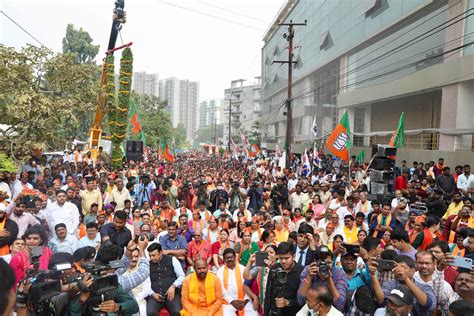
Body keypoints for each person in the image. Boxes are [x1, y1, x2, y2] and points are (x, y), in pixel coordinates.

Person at [67, 243, 139, 315]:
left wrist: (117, 307)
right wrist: (81, 300)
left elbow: (133, 305)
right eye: (117, 260)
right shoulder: (84, 283)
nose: (118, 263)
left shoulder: (110, 281)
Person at [369, 255, 437, 316]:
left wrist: (406, 279)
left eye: (403, 267)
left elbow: (429, 305)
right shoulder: (389, 284)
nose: (398, 270)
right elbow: (381, 301)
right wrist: (373, 275)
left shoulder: (424, 287)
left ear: (413, 271)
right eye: (396, 267)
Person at [144, 243, 184, 316]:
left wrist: (173, 286)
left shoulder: (172, 260)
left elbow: (182, 276)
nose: (151, 258)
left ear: (160, 252)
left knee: (177, 312)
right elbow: (145, 283)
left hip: (172, 296)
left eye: (154, 255)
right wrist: (152, 294)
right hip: (155, 296)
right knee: (150, 313)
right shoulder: (148, 264)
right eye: (150, 256)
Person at [265, 242, 304, 316]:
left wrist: (288, 302)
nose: (283, 261)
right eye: (281, 258)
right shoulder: (274, 269)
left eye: (286, 258)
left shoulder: (301, 271)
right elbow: (268, 295)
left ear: (294, 256)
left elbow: (303, 298)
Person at [217, 248, 259, 315]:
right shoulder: (220, 271)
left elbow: (248, 286)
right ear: (224, 260)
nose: (229, 259)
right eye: (227, 258)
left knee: (253, 313)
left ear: (235, 257)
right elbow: (221, 289)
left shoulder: (243, 268)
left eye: (231, 257)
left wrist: (245, 300)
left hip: (244, 300)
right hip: (228, 302)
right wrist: (232, 301)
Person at [243, 244, 278, 313]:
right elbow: (246, 276)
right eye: (267, 252)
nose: (268, 254)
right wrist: (250, 261)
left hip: (276, 301)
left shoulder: (280, 266)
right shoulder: (261, 267)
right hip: (264, 300)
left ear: (276, 256)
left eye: (271, 253)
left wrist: (271, 267)